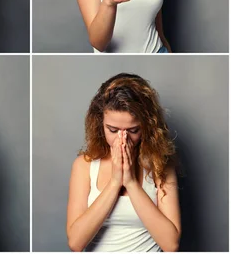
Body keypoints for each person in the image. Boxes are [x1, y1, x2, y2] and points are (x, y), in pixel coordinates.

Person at [67, 73, 181, 251]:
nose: (122, 138)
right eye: (113, 130)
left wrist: (130, 182)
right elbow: (75, 243)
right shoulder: (84, 166)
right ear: (100, 124)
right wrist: (115, 182)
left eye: (133, 130)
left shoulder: (161, 165)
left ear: (146, 127)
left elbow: (171, 245)